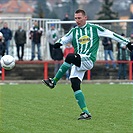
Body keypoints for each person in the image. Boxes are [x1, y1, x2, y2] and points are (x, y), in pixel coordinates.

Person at [42, 9, 133, 120]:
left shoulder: (94, 28)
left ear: (85, 18)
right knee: (75, 84)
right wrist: (58, 43)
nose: (77, 20)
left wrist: (127, 43)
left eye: (79, 18)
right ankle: (86, 112)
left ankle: (53, 81)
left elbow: (111, 34)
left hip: (88, 59)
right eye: (75, 18)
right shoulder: (74, 31)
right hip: (79, 60)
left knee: (70, 56)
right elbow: (65, 38)